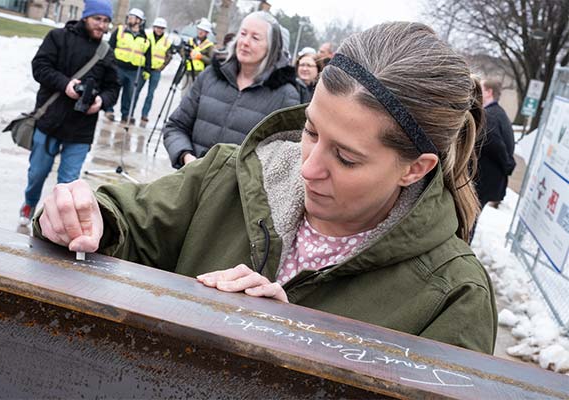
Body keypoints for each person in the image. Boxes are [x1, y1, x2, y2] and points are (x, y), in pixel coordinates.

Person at [33, 22, 496, 354]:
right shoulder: (226, 176)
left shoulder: (454, 297)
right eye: (311, 132)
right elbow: (129, 222)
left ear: (415, 169)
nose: (308, 168)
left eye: (347, 158)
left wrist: (292, 345)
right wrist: (88, 216)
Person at [18, 0, 119, 226]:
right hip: (49, 120)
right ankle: (29, 202)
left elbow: (114, 87)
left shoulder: (106, 52)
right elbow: (40, 67)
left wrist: (101, 101)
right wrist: (66, 85)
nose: (101, 25)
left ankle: (54, 225)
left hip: (81, 130)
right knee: (37, 174)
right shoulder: (58, 37)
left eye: (106, 21)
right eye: (97, 19)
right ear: (86, 17)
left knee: (68, 184)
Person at [163, 11, 300, 169]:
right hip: (191, 183)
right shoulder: (210, 76)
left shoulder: (286, 96)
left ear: (272, 47)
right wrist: (186, 157)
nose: (245, 42)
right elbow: (175, 126)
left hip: (238, 192)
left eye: (255, 38)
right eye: (243, 34)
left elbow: (282, 162)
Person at [104, 8, 151, 124]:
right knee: (114, 89)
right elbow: (110, 47)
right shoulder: (120, 31)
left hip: (134, 71)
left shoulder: (144, 38)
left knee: (129, 94)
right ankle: (109, 110)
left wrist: (147, 70)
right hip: (118, 67)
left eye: (132, 17)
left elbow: (148, 54)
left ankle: (126, 115)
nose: (129, 19)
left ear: (139, 21)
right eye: (129, 16)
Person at [475, 79, 516, 209]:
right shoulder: (498, 113)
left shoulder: (490, 115)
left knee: (468, 219)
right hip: (489, 180)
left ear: (488, 92)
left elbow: (496, 145)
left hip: (485, 179)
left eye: (480, 89)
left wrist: (508, 165)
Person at [137, 17, 172, 128]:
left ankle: (144, 114)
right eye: (157, 27)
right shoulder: (147, 37)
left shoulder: (166, 41)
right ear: (154, 27)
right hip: (144, 68)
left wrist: (162, 67)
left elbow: (169, 56)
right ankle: (129, 112)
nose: (159, 30)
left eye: (161, 28)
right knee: (136, 90)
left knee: (150, 94)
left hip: (156, 71)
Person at [181, 17, 215, 95]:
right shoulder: (190, 41)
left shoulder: (209, 45)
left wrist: (200, 57)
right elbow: (182, 53)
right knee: (184, 95)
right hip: (187, 72)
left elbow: (211, 61)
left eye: (203, 31)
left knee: (193, 96)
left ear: (207, 33)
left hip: (198, 74)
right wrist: (186, 54)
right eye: (200, 29)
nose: (201, 32)